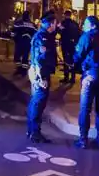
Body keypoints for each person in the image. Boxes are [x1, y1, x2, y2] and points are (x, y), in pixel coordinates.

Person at [72, 15, 99, 148]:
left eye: (85, 23)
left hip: (90, 76)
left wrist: (73, 63)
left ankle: (83, 140)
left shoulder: (87, 36)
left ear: (92, 25)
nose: (83, 26)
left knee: (85, 109)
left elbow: (78, 55)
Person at [26, 12, 58, 143]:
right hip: (40, 73)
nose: (57, 25)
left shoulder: (45, 36)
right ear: (50, 24)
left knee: (35, 101)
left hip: (38, 72)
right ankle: (35, 132)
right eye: (55, 23)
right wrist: (42, 78)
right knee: (38, 102)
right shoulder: (43, 37)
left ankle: (31, 131)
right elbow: (40, 59)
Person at [57, 10, 81, 85]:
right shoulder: (75, 24)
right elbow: (79, 34)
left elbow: (59, 31)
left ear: (65, 15)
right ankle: (72, 78)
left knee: (66, 61)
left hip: (65, 43)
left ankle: (66, 77)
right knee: (72, 60)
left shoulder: (63, 23)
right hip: (73, 44)